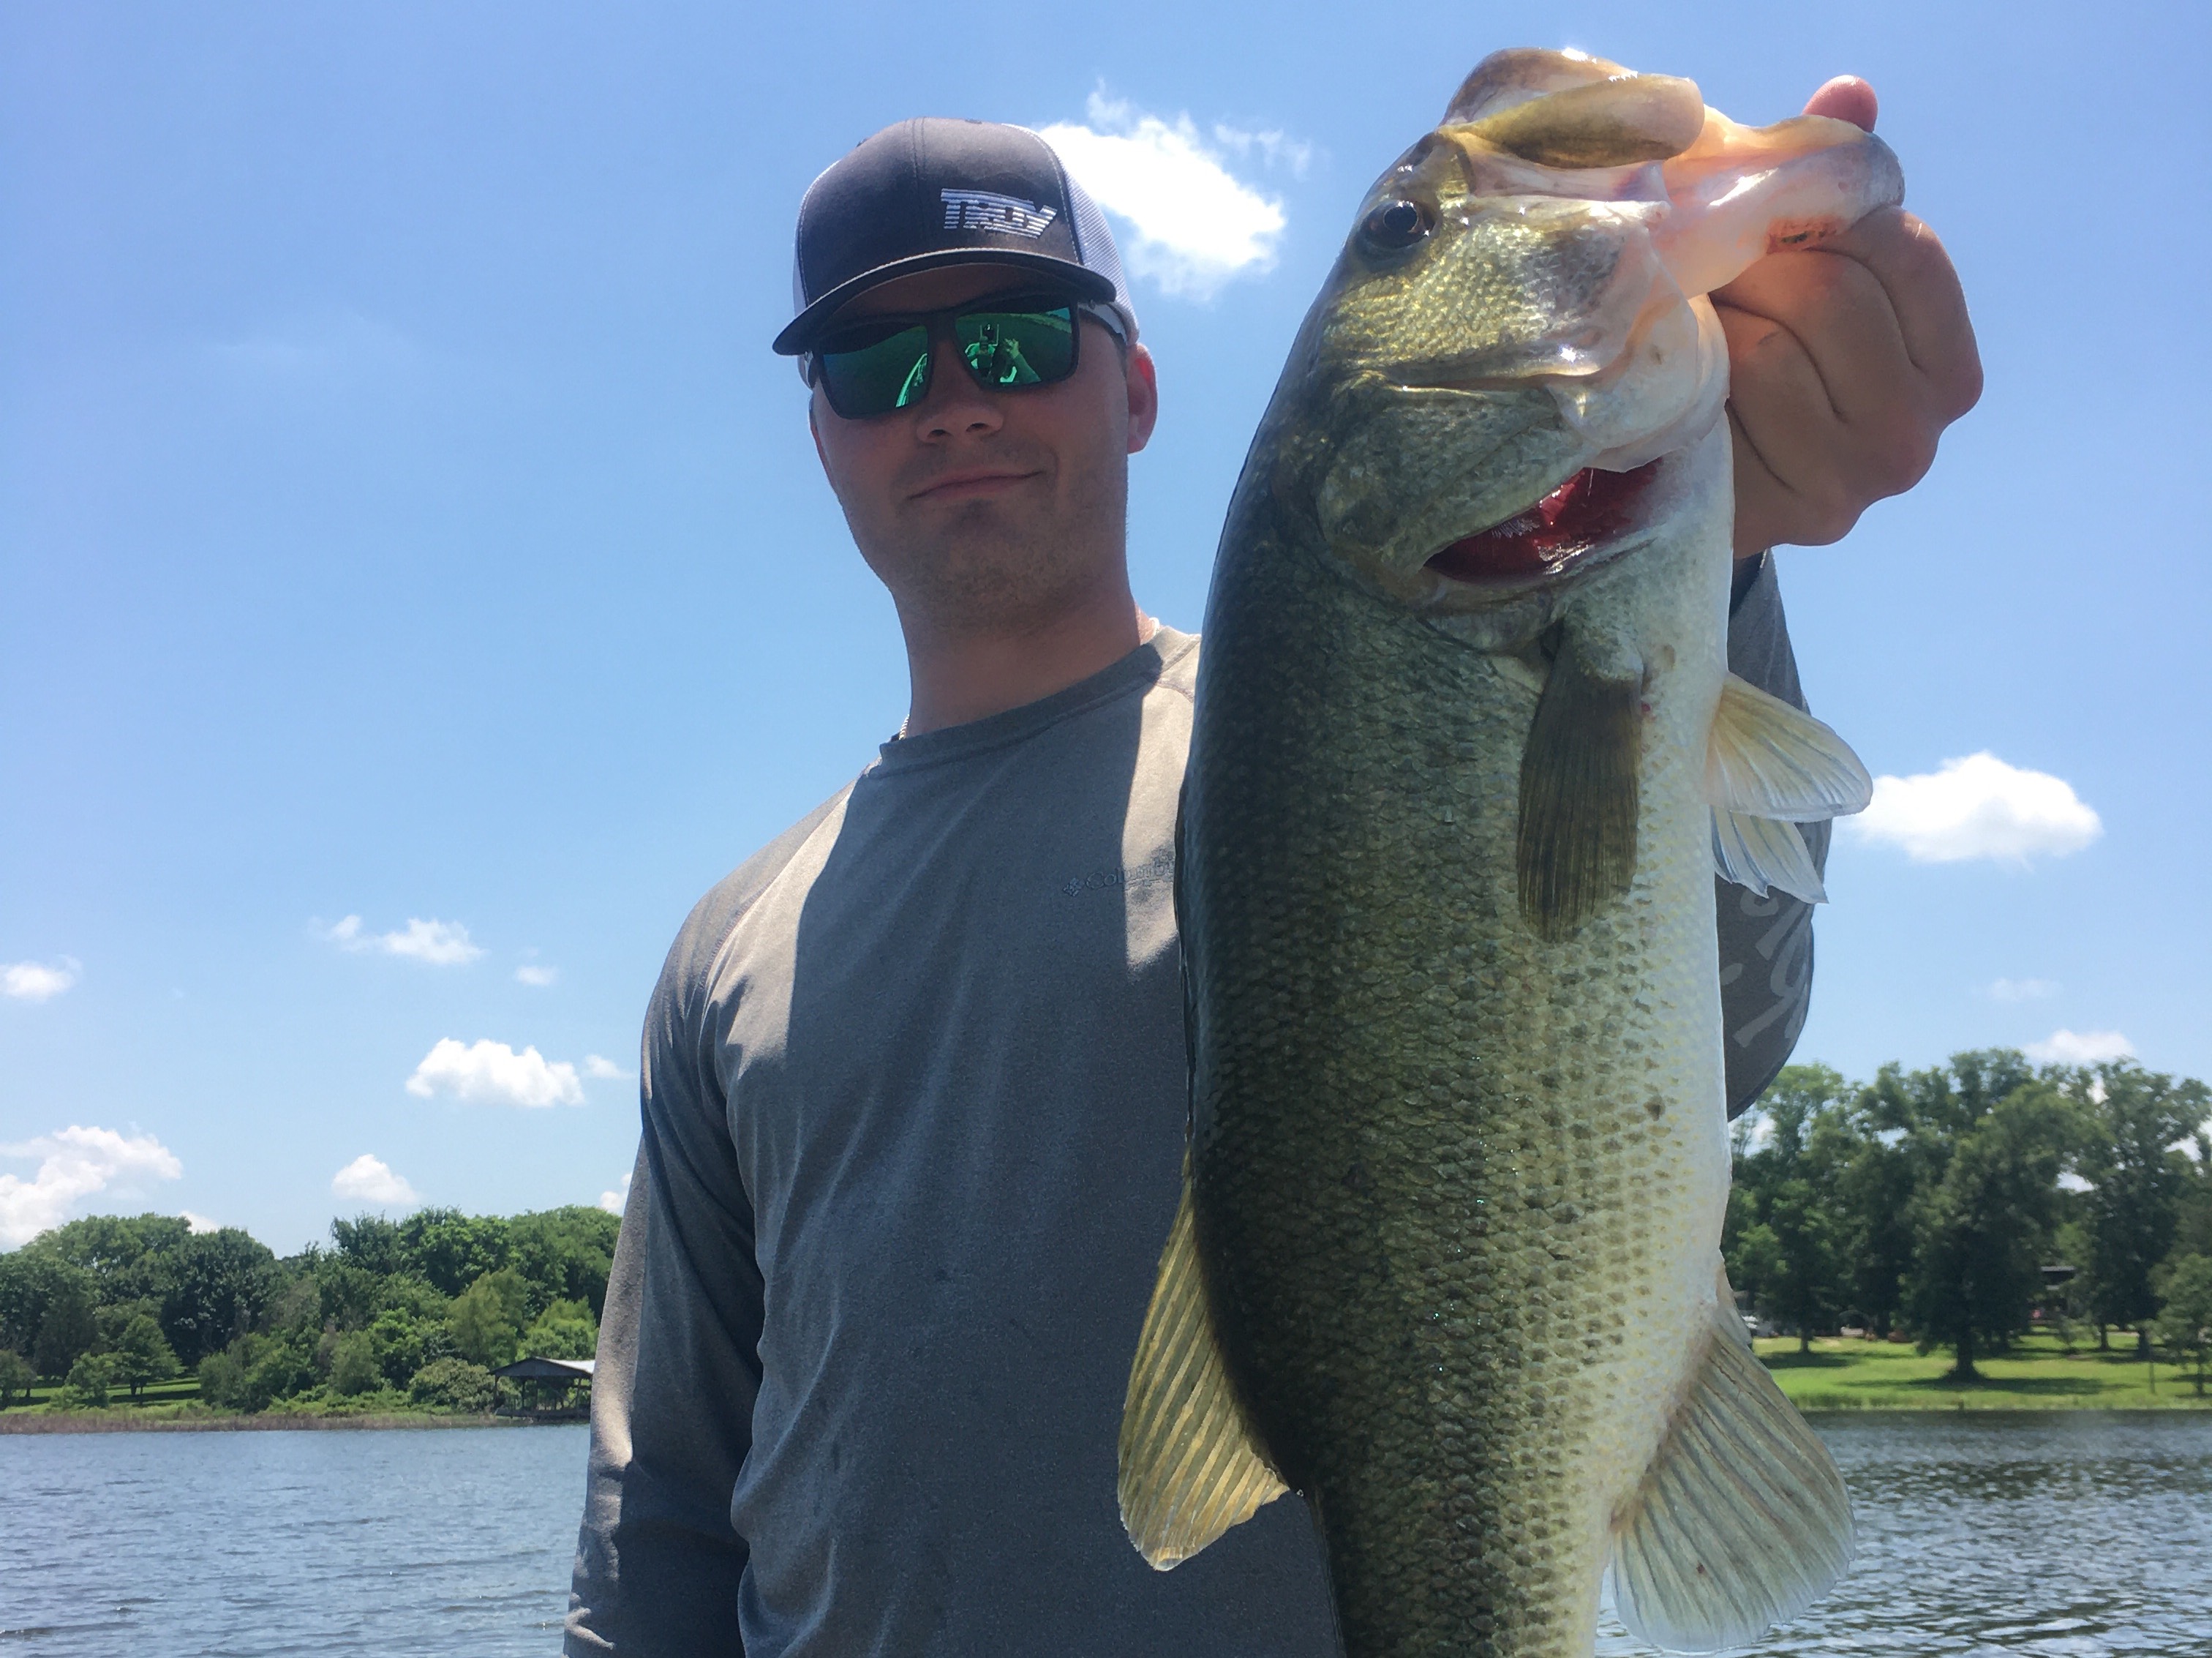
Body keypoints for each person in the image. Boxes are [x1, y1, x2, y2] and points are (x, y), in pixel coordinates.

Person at [566, 89, 1982, 1657]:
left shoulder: (1321, 726)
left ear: (1139, 389)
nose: (954, 399)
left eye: (1021, 338)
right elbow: (665, 1507)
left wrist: (1712, 557)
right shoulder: (726, 949)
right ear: (824, 436)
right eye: (877, 366)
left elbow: (1736, 1006)